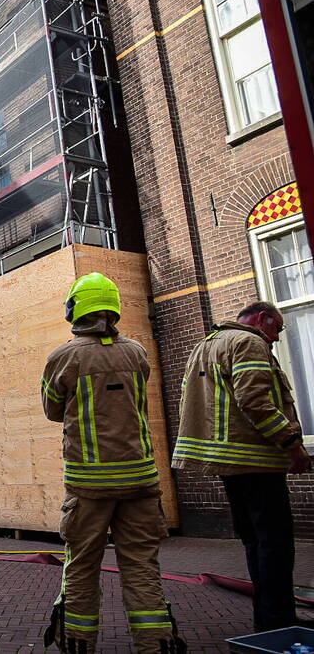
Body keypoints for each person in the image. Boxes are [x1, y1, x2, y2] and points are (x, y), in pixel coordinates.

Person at [41, 273, 185, 654]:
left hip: (89, 486)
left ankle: (78, 644)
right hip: (140, 481)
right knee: (141, 567)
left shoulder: (64, 357)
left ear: (77, 309)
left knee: (82, 568)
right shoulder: (136, 353)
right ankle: (156, 645)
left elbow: (52, 409)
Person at [174, 301, 311, 632]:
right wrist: (292, 444)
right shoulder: (249, 342)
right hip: (255, 460)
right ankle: (279, 622)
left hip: (228, 463)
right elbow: (254, 401)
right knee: (275, 543)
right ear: (263, 319)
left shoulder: (206, 345)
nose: (276, 338)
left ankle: (266, 621)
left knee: (255, 541)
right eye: (277, 328)